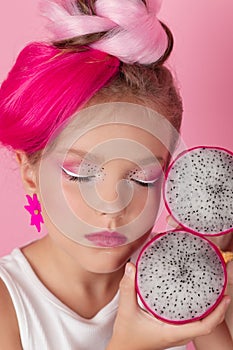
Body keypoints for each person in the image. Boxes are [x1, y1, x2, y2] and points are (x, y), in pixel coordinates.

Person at [0, 1, 232, 349]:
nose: (112, 205)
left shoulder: (175, 275)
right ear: (29, 171)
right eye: (80, 176)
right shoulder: (8, 307)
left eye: (142, 179)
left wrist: (205, 283)